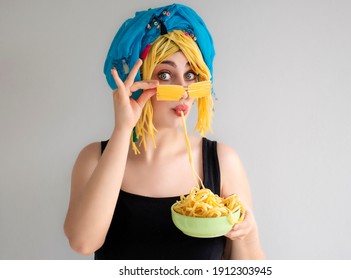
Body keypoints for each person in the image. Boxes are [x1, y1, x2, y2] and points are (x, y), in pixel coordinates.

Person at [64, 3, 265, 260]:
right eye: (166, 75)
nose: (183, 89)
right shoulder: (94, 158)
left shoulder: (223, 161)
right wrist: (123, 129)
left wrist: (248, 233)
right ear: (137, 83)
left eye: (191, 75)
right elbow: (83, 242)